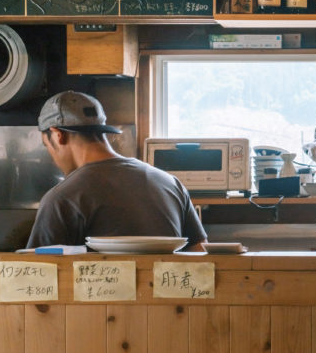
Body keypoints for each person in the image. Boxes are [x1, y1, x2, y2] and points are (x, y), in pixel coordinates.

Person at [26, 90, 207, 250]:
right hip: (168, 288)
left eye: (46, 145)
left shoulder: (63, 197)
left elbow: (40, 275)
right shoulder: (170, 182)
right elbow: (200, 254)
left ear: (58, 136)